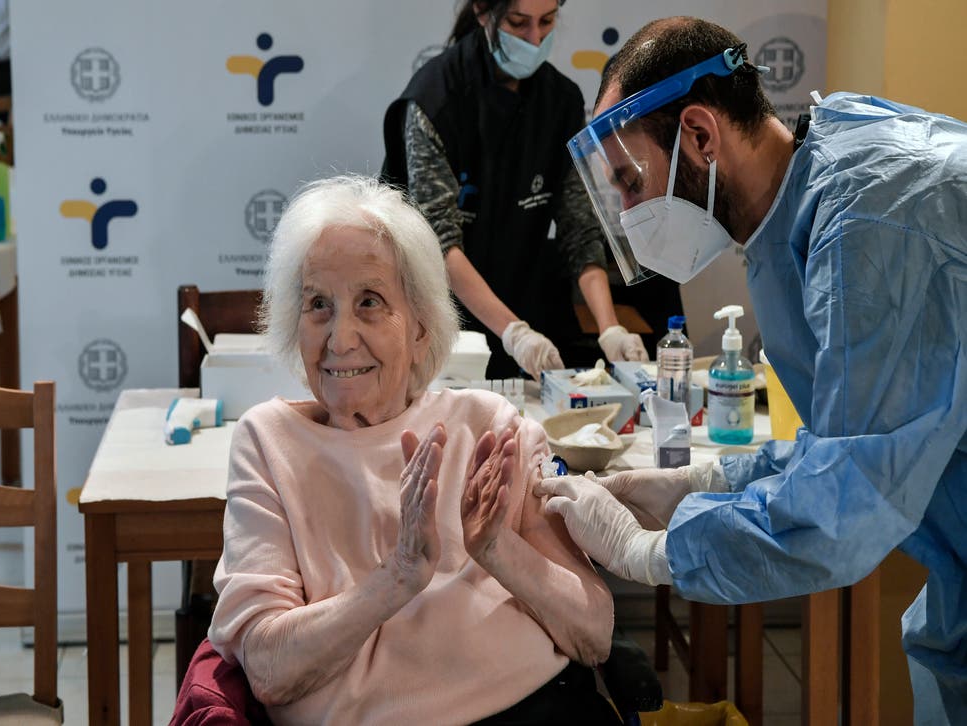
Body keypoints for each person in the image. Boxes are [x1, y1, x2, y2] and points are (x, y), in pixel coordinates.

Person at [535, 16, 967, 724]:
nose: (629, 210)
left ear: (701, 136)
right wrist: (702, 482)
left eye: (630, 181)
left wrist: (650, 551)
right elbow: (849, 436)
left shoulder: (875, 220)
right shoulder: (795, 212)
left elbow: (845, 508)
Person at [207, 175, 618, 724]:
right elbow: (266, 669)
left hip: (535, 707)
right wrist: (396, 578)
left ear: (421, 326)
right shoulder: (268, 443)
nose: (340, 337)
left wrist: (498, 550)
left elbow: (595, 634)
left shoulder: (491, 427)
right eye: (318, 305)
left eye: (370, 302)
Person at [381, 0, 660, 381]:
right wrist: (515, 332)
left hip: (525, 296)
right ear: (483, 11)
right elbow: (439, 244)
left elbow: (579, 228)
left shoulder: (560, 101)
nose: (535, 38)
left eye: (546, 22)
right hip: (442, 322)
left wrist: (610, 327)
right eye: (518, 23)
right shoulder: (435, 100)